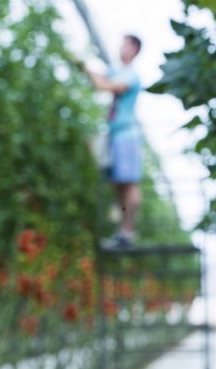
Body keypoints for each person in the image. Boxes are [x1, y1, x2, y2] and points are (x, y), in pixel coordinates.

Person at [85, 35, 143, 249]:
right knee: (119, 184)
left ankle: (128, 231)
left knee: (129, 183)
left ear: (135, 49)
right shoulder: (117, 72)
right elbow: (99, 79)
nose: (121, 47)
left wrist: (88, 68)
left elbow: (103, 85)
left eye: (126, 43)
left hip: (127, 135)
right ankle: (122, 231)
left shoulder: (131, 76)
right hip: (115, 134)